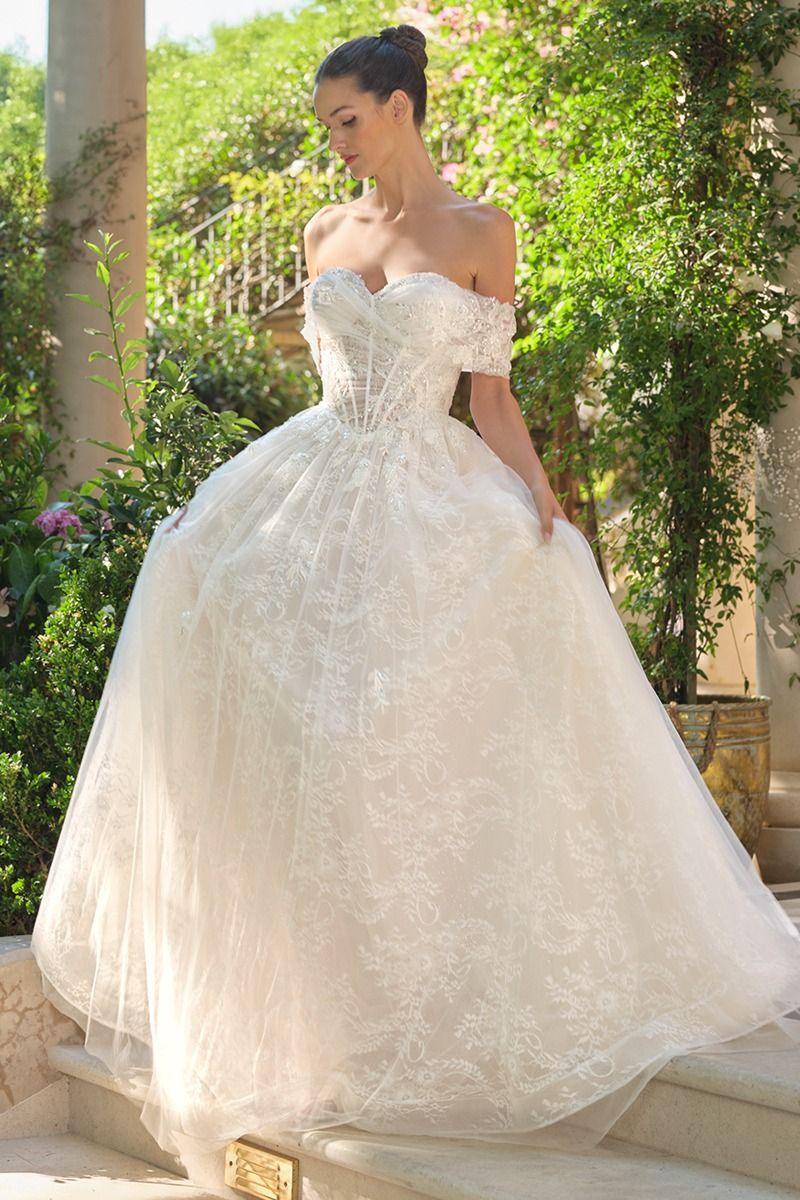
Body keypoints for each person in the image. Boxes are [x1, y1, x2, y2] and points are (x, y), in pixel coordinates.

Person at [31, 22, 800, 1165]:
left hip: (429, 489)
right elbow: (329, 385)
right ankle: (315, 1004)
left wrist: (540, 499)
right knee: (292, 725)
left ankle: (427, 989)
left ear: (400, 103)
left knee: (409, 744)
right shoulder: (321, 229)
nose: (334, 142)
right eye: (325, 123)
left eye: (346, 117)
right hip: (313, 484)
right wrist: (216, 508)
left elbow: (486, 399)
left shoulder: (483, 231)